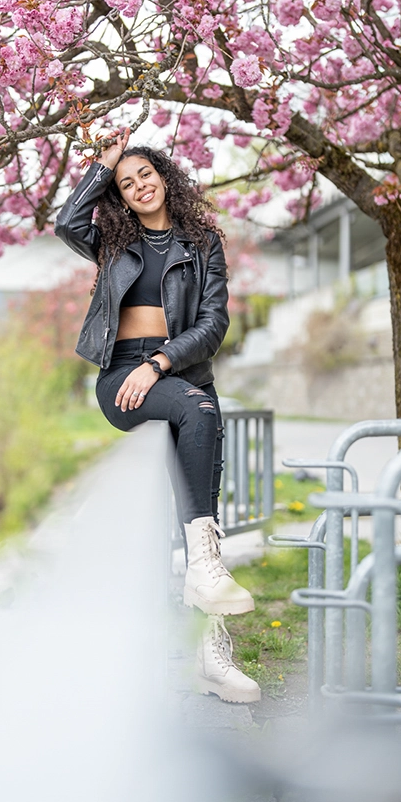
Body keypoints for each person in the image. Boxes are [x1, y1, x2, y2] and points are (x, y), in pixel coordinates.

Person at [54, 127, 260, 704]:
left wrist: (162, 363)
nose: (139, 185)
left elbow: (214, 324)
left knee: (201, 507)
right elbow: (67, 223)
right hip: (123, 378)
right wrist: (103, 165)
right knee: (197, 412)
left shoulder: (203, 243)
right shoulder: (112, 243)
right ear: (118, 195)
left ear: (165, 177)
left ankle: (212, 655)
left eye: (145, 173)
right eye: (126, 182)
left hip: (182, 375)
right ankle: (187, 599)